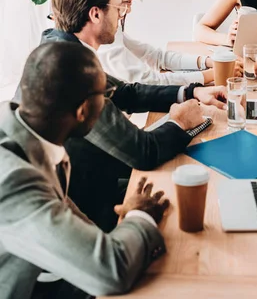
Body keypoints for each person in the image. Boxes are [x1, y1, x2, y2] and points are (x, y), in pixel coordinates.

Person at [15, 0, 227, 231]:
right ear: (95, 14)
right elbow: (144, 152)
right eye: (119, 7)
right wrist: (181, 122)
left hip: (91, 177)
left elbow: (126, 92)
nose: (123, 14)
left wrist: (191, 91)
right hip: (85, 206)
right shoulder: (70, 71)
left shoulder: (60, 47)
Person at [0, 42, 170, 299]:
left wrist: (115, 234)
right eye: (105, 94)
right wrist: (140, 216)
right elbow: (112, 271)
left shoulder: (30, 135)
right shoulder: (13, 180)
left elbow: (62, 209)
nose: (107, 102)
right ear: (82, 111)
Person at [88, 0, 215, 85]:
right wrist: (210, 75)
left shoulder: (112, 28)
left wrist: (207, 61)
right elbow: (148, 81)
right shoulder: (101, 34)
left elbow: (155, 56)